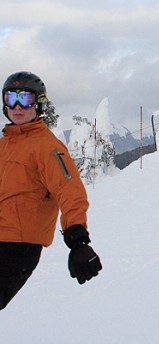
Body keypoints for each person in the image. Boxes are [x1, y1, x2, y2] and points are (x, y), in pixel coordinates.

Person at [0, 71, 102, 311]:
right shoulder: (5, 145)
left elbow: (69, 190)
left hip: (17, 247)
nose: (16, 106)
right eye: (9, 98)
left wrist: (78, 239)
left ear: (38, 104)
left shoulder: (48, 147)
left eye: (24, 98)